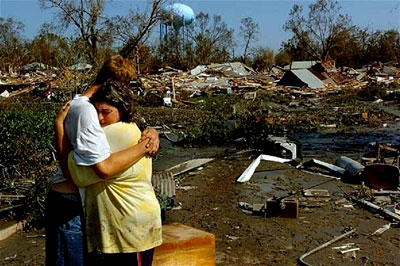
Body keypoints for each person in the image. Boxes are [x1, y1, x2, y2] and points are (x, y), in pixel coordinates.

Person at [46, 55, 159, 266]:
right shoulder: (87, 111)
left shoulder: (82, 105)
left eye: (105, 112)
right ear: (116, 85)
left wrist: (151, 133)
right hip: (71, 202)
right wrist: (145, 144)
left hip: (79, 201)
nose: (101, 118)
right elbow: (103, 168)